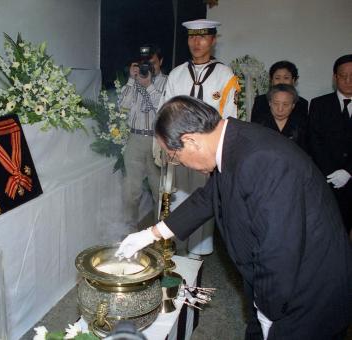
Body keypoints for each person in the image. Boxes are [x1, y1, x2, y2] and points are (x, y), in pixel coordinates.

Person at [116, 96, 352, 340]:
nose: (179, 164)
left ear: (191, 141)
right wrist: (150, 234)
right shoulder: (232, 140)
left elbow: (279, 250)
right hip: (278, 285)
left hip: (307, 294)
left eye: (174, 157)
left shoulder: (262, 160)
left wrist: (269, 314)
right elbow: (208, 197)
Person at [159, 19, 240, 256]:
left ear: (213, 40)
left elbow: (230, 117)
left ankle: (197, 253)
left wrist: (217, 156)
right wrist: (165, 147)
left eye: (203, 37)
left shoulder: (226, 75)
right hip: (178, 149)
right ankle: (171, 249)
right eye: (192, 37)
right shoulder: (177, 74)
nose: (196, 42)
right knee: (175, 196)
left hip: (206, 153)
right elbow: (165, 112)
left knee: (204, 200)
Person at [118, 44, 167, 228]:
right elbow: (122, 107)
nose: (147, 68)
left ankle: (160, 234)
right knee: (131, 191)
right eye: (144, 64)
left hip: (157, 141)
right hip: (135, 139)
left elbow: (163, 108)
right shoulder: (135, 81)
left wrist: (149, 86)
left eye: (152, 63)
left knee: (159, 192)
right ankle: (129, 232)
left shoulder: (168, 82)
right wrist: (132, 80)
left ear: (160, 62)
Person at [308, 54, 352, 237]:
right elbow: (314, 141)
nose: (348, 81)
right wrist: (331, 173)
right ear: (335, 77)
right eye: (343, 76)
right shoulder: (319, 104)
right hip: (327, 179)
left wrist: (349, 171)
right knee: (330, 231)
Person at [256, 84, 308, 152]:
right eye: (276, 103)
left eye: (285, 104)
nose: (280, 109)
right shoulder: (258, 125)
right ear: (270, 103)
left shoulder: (301, 126)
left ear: (293, 105)